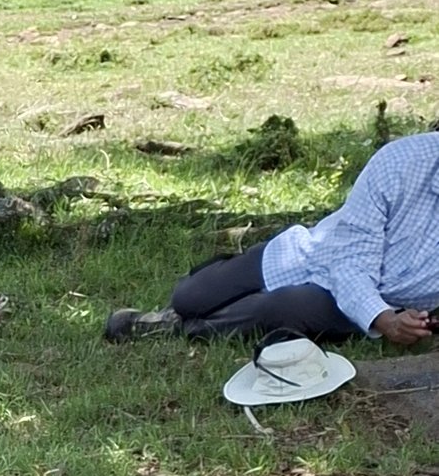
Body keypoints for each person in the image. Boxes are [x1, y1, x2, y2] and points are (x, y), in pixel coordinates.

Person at [109, 130, 439, 349]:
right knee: (189, 297)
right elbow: (349, 261)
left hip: (374, 302)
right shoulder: (401, 162)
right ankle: (190, 302)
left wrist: (393, 319)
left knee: (277, 308)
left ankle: (174, 328)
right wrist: (387, 322)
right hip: (311, 253)